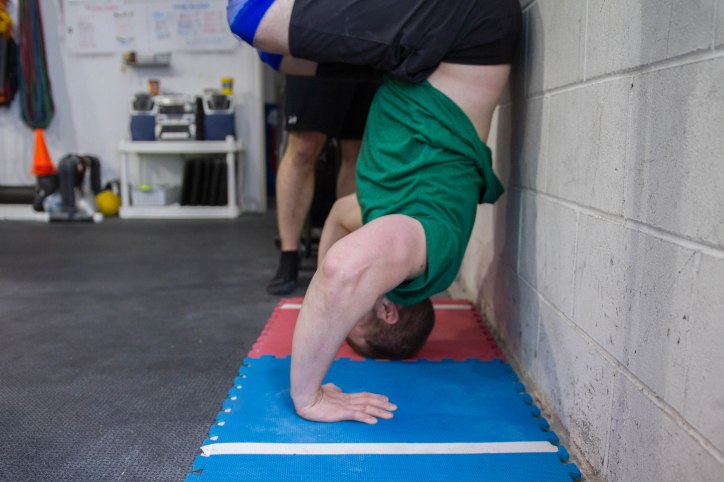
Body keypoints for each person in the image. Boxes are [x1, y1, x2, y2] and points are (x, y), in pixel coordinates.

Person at [227, 0, 522, 424]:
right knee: (250, 18)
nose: (338, 313)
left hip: (423, 59)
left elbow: (337, 216)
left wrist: (316, 299)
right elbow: (342, 270)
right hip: (466, 29)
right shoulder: (427, 256)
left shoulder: (391, 221)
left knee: (279, 58)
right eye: (348, 317)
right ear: (388, 310)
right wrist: (308, 395)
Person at [268, 75, 378, 295]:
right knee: (303, 146)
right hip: (317, 58)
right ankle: (289, 254)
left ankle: (348, 252)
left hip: (368, 59)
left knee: (356, 149)